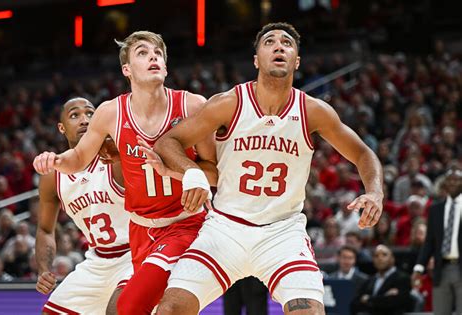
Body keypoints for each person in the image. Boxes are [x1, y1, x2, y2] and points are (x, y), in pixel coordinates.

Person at [151, 22, 383, 315]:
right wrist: (193, 172)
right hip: (225, 228)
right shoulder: (229, 104)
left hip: (282, 233)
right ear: (256, 59)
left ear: (296, 61)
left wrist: (374, 192)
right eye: (269, 42)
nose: (278, 47)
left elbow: (363, 152)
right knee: (170, 309)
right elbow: (168, 142)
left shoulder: (313, 111)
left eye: (287, 43)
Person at [33, 31, 216, 314]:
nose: (153, 56)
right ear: (126, 69)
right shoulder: (111, 113)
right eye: (142, 52)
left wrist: (190, 175)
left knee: (130, 307)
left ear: (165, 66)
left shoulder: (192, 105)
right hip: (140, 230)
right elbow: (79, 156)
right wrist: (55, 160)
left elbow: (215, 172)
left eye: (158, 53)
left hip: (184, 223)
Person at [35, 98, 133, 315]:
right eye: (74, 115)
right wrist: (44, 269)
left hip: (136, 254)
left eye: (90, 114)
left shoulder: (114, 156)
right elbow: (44, 229)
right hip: (97, 260)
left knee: (118, 311)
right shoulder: (53, 176)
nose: (84, 120)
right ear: (61, 128)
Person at [412, 168, 462, 315]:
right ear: (444, 183)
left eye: (457, 179)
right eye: (450, 179)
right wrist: (419, 268)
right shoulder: (435, 209)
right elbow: (429, 242)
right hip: (441, 268)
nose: (452, 182)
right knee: (440, 312)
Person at [350, 245, 412, 315]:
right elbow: (355, 303)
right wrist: (383, 298)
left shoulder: (402, 278)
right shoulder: (369, 280)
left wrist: (368, 299)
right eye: (376, 256)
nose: (380, 258)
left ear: (392, 258)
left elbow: (395, 303)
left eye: (384, 255)